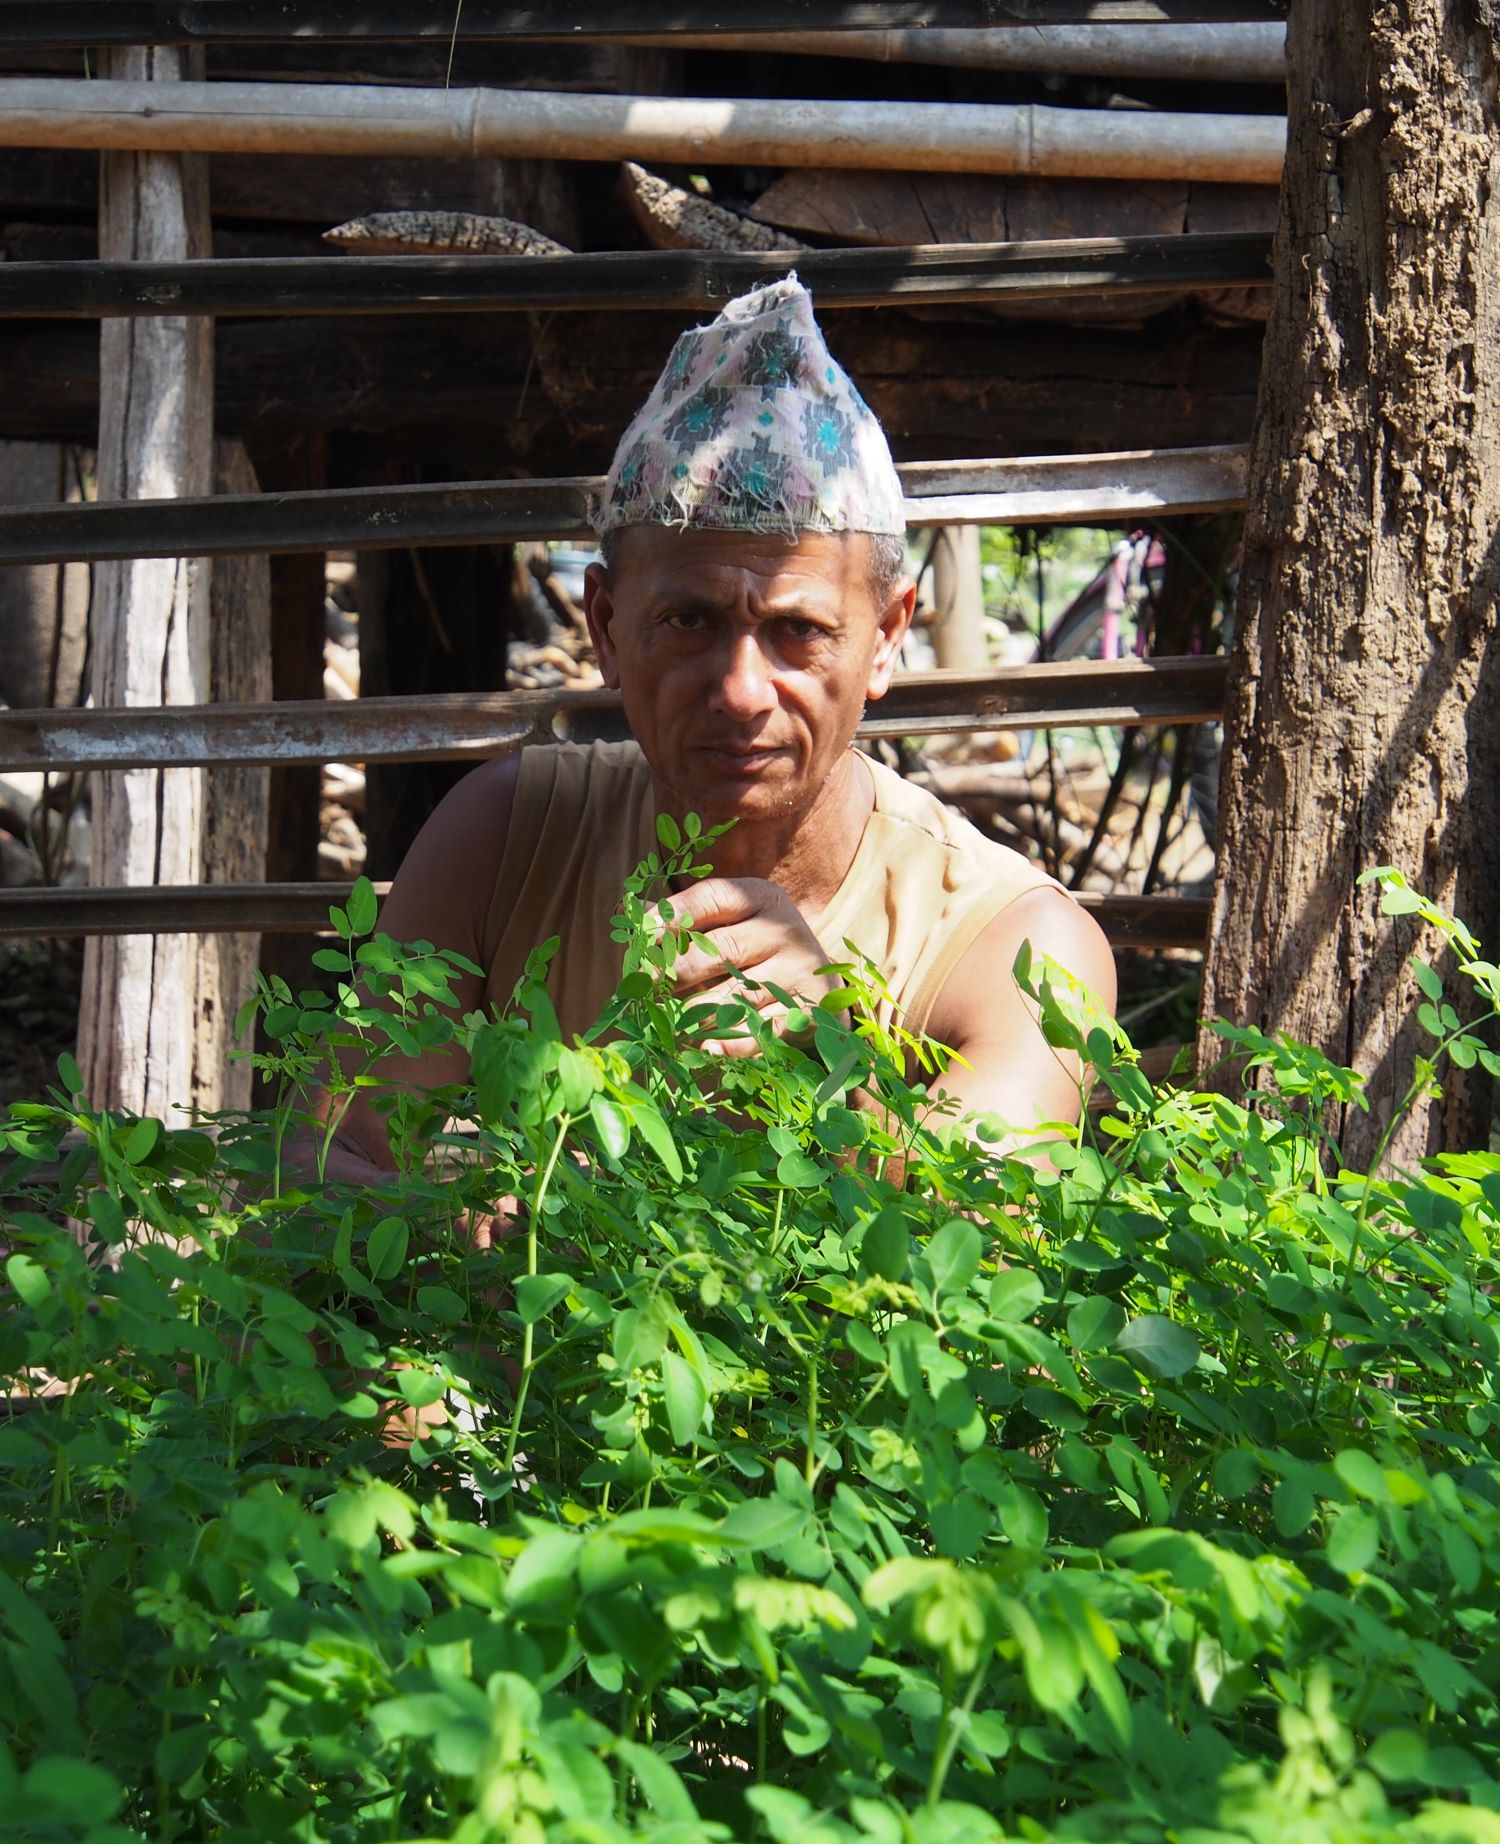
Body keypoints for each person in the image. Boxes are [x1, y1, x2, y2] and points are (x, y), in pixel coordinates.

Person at [317, 276, 1115, 1188]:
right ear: (607, 629)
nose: (740, 693)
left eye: (798, 631)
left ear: (889, 637)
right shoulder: (504, 838)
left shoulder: (1014, 945)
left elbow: (974, 1256)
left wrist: (835, 1078)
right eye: (689, 622)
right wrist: (473, 1226)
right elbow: (315, 1154)